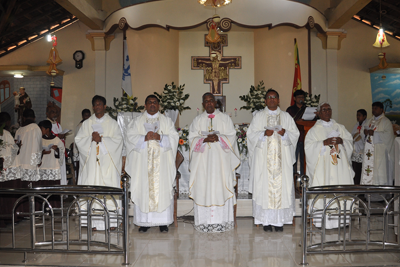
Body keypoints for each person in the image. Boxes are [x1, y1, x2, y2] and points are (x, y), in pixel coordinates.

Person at [247, 89, 299, 232]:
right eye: (269, 97)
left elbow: (295, 134)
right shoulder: (258, 116)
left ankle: (279, 221)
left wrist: (285, 134)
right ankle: (266, 221)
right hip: (264, 163)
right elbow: (250, 135)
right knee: (264, 188)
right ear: (265, 101)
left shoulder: (286, 116)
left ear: (278, 100)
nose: (271, 99)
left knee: (281, 189)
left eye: (274, 97)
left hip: (282, 163)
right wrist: (263, 134)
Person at [125, 95, 179, 233]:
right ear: (145, 105)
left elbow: (174, 137)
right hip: (143, 166)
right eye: (150, 102)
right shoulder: (137, 121)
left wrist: (161, 137)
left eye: (155, 102)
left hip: (162, 166)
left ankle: (163, 222)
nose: (152, 105)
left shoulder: (166, 121)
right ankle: (144, 222)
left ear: (159, 105)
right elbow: (129, 137)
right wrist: (144, 138)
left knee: (162, 189)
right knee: (144, 189)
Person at [189, 93, 240, 233]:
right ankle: (204, 222)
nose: (209, 103)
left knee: (221, 187)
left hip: (221, 163)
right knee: (203, 187)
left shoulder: (225, 119)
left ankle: (222, 221)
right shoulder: (198, 120)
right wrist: (204, 140)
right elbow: (191, 138)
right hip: (203, 164)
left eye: (211, 100)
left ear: (215, 102)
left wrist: (219, 137)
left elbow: (232, 136)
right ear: (203, 104)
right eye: (206, 101)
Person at [75, 95, 123, 231]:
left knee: (108, 190)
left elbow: (118, 141)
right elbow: (79, 140)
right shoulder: (86, 124)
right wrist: (91, 139)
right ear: (93, 107)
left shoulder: (112, 123)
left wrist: (102, 140)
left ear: (105, 106)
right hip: (92, 165)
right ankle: (92, 223)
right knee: (92, 189)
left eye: (100, 104)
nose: (97, 107)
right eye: (95, 104)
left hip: (107, 163)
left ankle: (112, 223)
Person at [305, 102, 354, 229]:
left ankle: (342, 221)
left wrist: (342, 141)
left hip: (339, 169)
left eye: (329, 109)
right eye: (324, 109)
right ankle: (323, 222)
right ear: (319, 113)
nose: (327, 111)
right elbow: (308, 148)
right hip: (324, 170)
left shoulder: (340, 127)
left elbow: (350, 142)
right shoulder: (314, 130)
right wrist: (323, 143)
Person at [361, 102, 395, 187]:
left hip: (380, 153)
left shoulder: (386, 121)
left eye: (376, 108)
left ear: (381, 109)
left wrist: (375, 134)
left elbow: (389, 135)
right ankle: (368, 193)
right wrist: (365, 132)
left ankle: (381, 195)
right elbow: (362, 131)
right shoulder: (369, 121)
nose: (373, 110)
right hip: (369, 152)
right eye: (373, 108)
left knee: (380, 172)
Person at [9, 109, 42, 182]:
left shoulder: (19, 130)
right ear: (34, 118)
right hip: (31, 163)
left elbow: (15, 147)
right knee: (30, 187)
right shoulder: (36, 128)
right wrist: (38, 160)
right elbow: (38, 146)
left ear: (23, 118)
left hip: (19, 162)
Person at [286, 89, 307, 175]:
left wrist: (316, 115)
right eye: (299, 97)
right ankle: (293, 179)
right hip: (294, 139)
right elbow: (287, 123)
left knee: (304, 160)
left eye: (302, 97)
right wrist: (297, 121)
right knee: (293, 159)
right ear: (294, 98)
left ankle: (303, 178)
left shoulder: (307, 109)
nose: (301, 99)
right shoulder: (290, 110)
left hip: (305, 137)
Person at [46, 105, 67, 185]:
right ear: (47, 113)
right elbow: (47, 138)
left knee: (62, 172)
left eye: (56, 112)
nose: (55, 114)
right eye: (52, 112)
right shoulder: (46, 125)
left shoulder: (58, 125)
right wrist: (58, 136)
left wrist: (62, 136)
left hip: (60, 152)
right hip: (52, 155)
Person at [73, 109, 91, 181]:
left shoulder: (92, 124)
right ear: (82, 116)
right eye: (85, 115)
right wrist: (75, 152)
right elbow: (76, 139)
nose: (87, 117)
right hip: (82, 152)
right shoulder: (80, 126)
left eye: (88, 115)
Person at [351, 109, 367, 185]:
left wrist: (359, 136)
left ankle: (361, 186)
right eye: (357, 115)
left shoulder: (366, 125)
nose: (357, 117)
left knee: (361, 170)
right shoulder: (356, 125)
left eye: (359, 115)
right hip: (355, 151)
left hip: (362, 151)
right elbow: (353, 135)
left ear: (364, 117)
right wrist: (355, 136)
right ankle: (355, 185)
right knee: (355, 170)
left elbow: (364, 137)